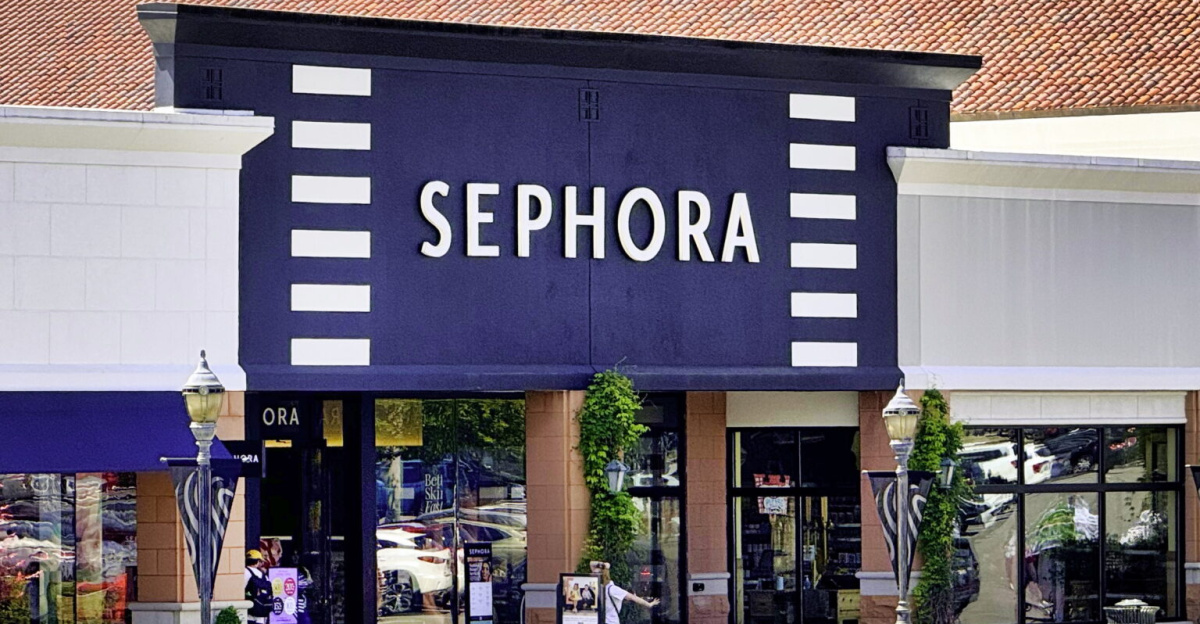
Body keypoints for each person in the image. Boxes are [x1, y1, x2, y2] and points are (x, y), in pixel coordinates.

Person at [590, 561, 659, 624]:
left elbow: (633, 597)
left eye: (596, 574)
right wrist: (604, 565)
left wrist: (648, 604)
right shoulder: (600, 588)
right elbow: (591, 564)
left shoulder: (612, 589)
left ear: (602, 576)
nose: (593, 575)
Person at [244, 549, 272, 624]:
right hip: (261, 614)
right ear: (257, 561)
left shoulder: (244, 572)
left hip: (248, 613)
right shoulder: (263, 575)